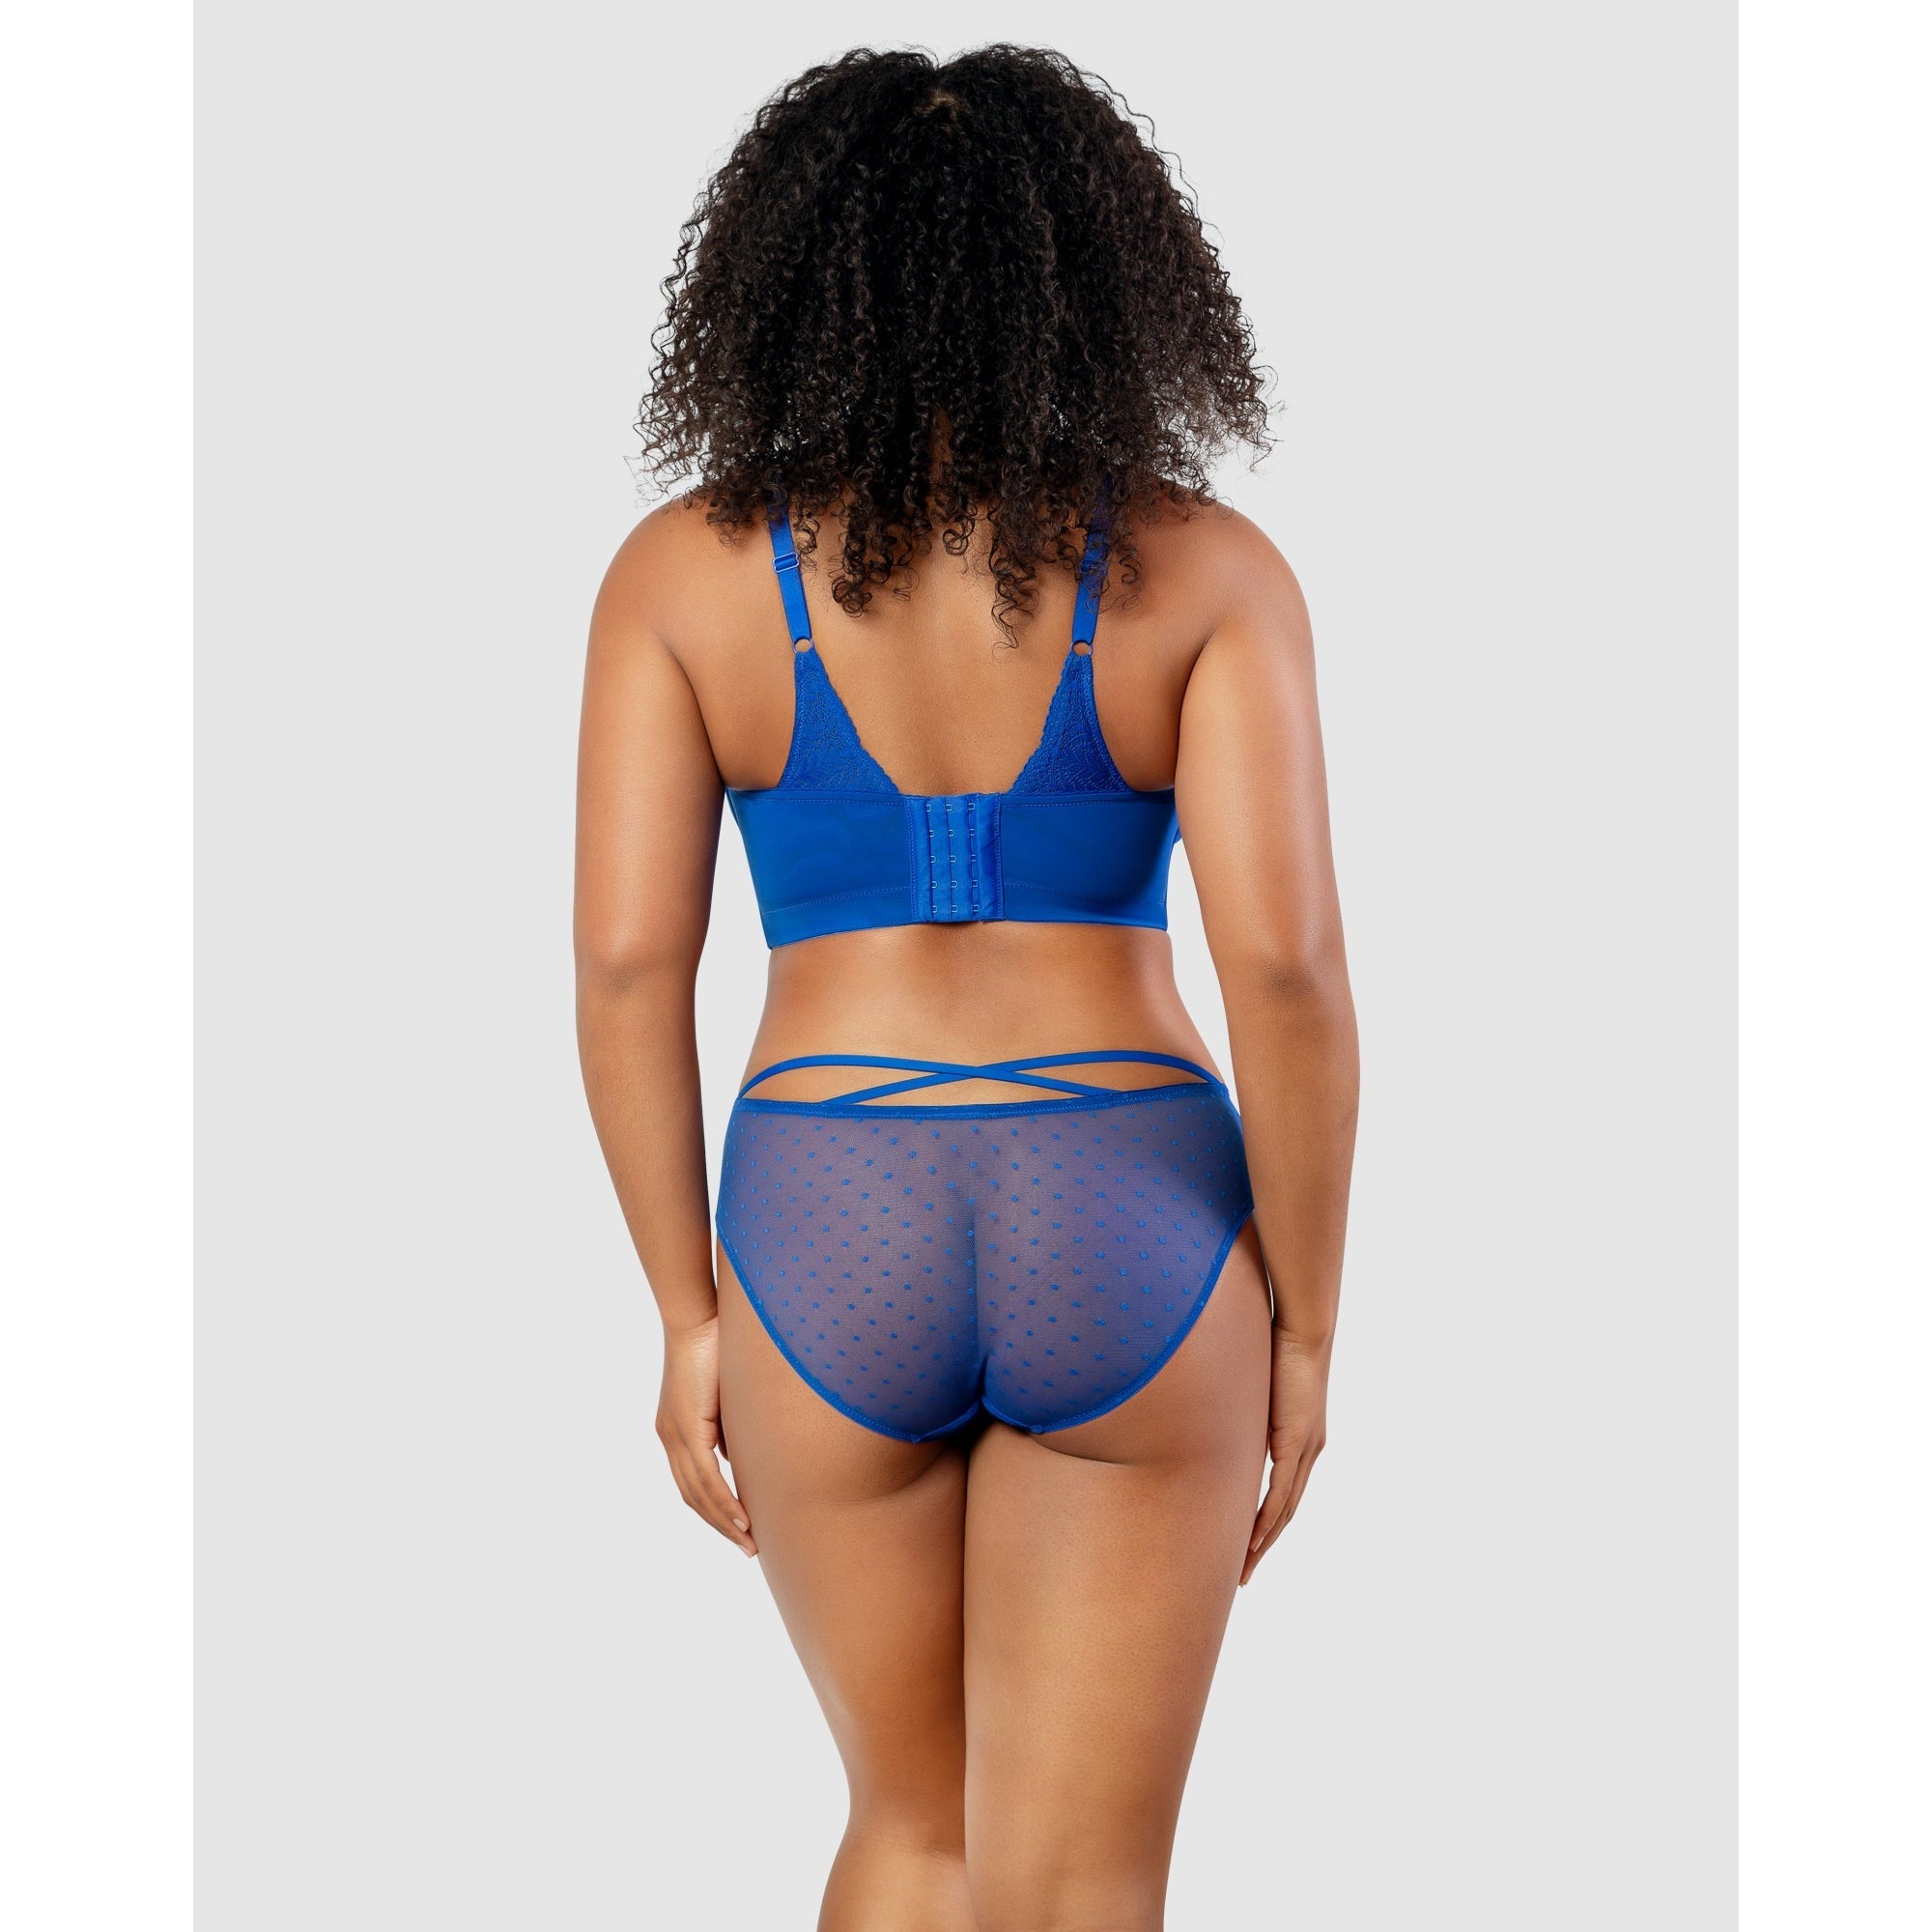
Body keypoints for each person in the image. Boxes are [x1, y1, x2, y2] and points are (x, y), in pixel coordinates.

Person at [576, 44, 1357, 1932]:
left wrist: (684, 1310)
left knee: (915, 1832)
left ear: (780, 279)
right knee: (1079, 1880)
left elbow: (624, 961)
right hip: (1126, 1207)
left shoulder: (682, 578)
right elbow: (1282, 965)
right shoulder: (1205, 573)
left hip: (821, 1212)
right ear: (1103, 277)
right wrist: (1309, 1329)